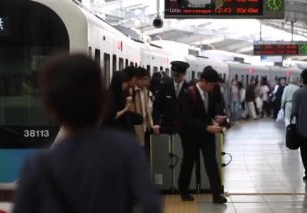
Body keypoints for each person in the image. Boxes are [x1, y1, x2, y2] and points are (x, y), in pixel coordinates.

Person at [12, 54, 162, 213]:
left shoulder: (37, 166)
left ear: (50, 107)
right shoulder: (128, 151)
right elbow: (150, 205)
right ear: (101, 100)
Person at [178, 66, 227, 204]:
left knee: (212, 163)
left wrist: (216, 117)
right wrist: (207, 127)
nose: (213, 88)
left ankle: (217, 194)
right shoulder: (188, 93)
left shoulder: (209, 93)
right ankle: (184, 190)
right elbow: (188, 118)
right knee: (188, 162)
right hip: (191, 135)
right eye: (211, 85)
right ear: (203, 81)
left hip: (206, 135)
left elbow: (208, 112)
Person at [152, 61, 190, 135]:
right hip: (165, 127)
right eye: (173, 75)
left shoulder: (189, 89)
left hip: (183, 129)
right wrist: (156, 123)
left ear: (184, 74)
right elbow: (156, 106)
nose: (175, 77)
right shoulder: (164, 87)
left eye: (177, 75)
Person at [131, 67, 154, 147]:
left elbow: (147, 109)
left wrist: (150, 124)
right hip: (135, 128)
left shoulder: (145, 90)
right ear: (137, 79)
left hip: (144, 127)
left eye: (147, 80)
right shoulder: (133, 91)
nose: (145, 82)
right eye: (143, 79)